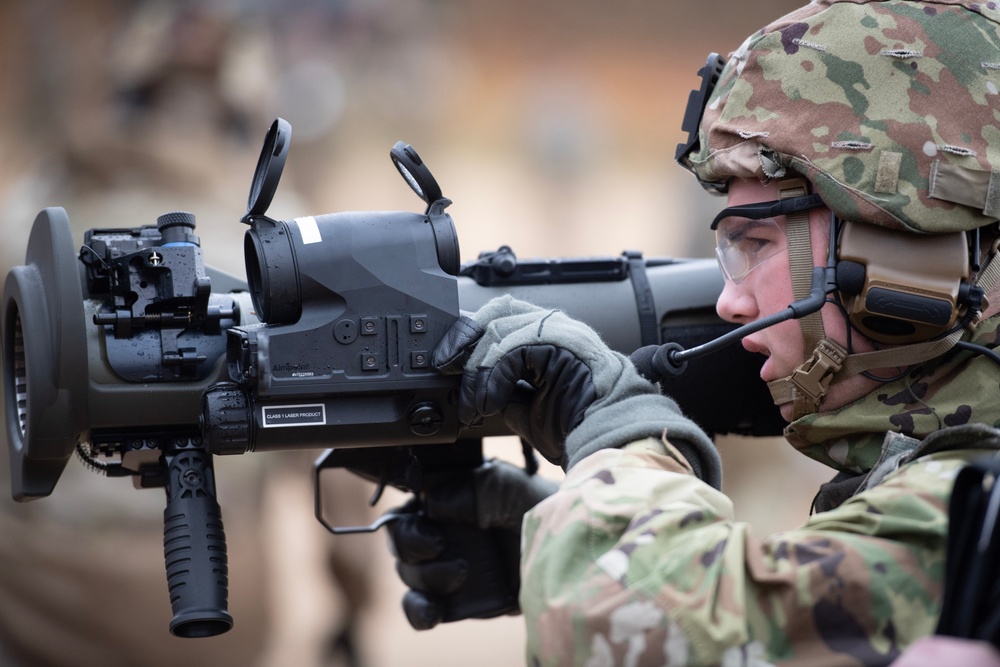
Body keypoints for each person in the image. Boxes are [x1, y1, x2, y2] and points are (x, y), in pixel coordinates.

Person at [386, 0, 1000, 665]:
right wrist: (566, 545)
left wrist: (612, 430)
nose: (731, 303)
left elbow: (634, 628)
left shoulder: (975, 503)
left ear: (909, 251)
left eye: (757, 243)